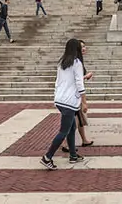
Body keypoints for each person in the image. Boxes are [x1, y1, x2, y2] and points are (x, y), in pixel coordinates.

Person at [40, 38, 86, 169]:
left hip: (60, 99)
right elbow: (79, 83)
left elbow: (60, 81)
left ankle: (73, 155)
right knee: (64, 131)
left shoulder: (62, 62)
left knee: (71, 128)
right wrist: (84, 100)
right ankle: (47, 157)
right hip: (70, 101)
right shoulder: (77, 63)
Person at [62, 40, 95, 153]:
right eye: (82, 47)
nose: (84, 48)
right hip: (73, 97)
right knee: (74, 121)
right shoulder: (75, 62)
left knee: (80, 119)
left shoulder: (76, 61)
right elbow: (76, 81)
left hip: (73, 96)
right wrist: (86, 76)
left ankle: (84, 140)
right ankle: (65, 144)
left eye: (85, 46)